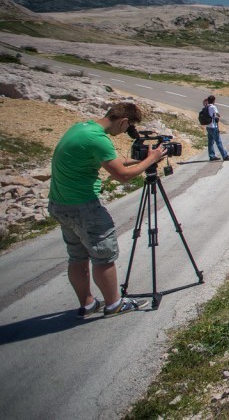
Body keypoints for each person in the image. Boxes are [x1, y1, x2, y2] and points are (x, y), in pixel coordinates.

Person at [48, 102, 168, 318]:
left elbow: (115, 162)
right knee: (103, 255)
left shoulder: (82, 128)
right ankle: (114, 304)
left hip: (60, 204)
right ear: (123, 121)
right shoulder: (99, 139)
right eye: (128, 127)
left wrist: (141, 158)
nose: (126, 132)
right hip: (83, 206)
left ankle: (87, 304)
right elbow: (122, 175)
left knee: (77, 257)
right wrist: (152, 159)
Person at [204, 95, 229, 161]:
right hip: (213, 127)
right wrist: (218, 116)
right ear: (214, 100)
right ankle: (225, 156)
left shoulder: (206, 106)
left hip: (208, 126)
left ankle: (211, 156)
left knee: (210, 142)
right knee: (218, 142)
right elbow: (217, 114)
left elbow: (204, 104)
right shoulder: (213, 107)